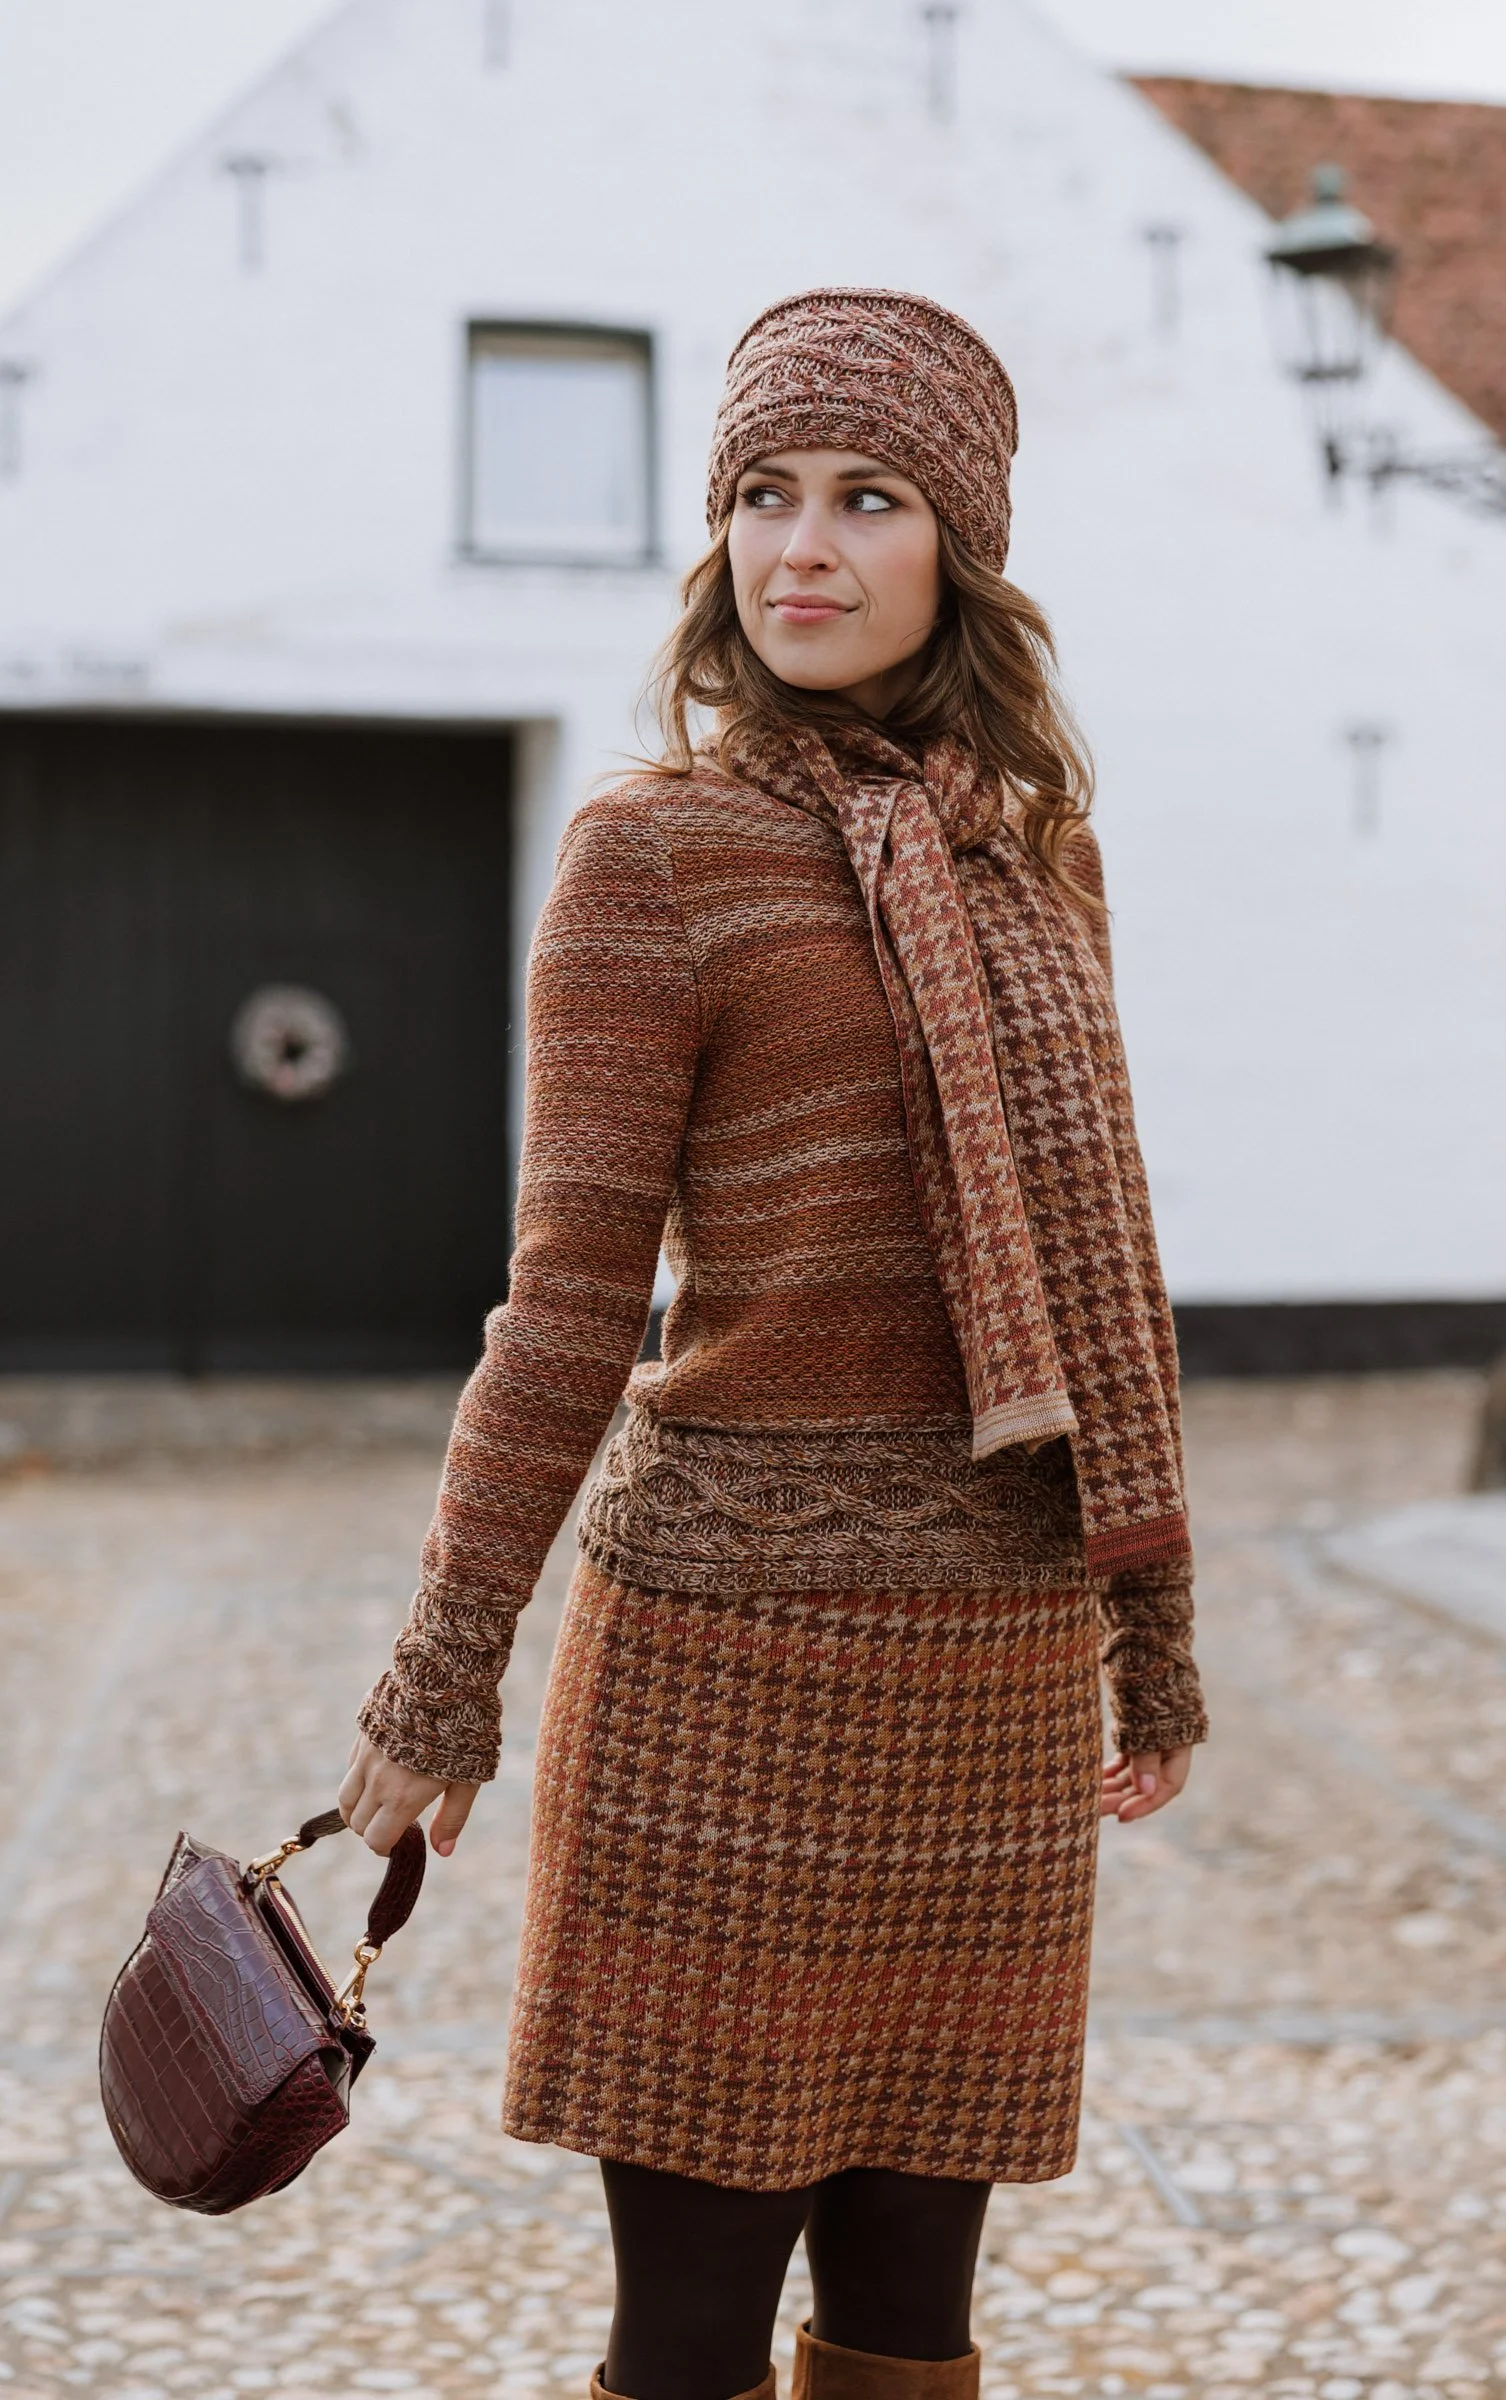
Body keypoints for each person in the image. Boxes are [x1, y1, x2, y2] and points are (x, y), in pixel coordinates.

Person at [341, 289, 1207, 2400]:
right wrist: (442, 1675)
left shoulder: (1034, 860)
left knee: (913, 2319)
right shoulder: (648, 857)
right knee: (691, 2330)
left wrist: (1148, 1625)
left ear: (957, 548)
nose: (797, 546)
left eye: (863, 495)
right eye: (758, 493)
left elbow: (1110, 1260)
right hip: (723, 1678)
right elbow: (562, 1302)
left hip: (990, 1675)